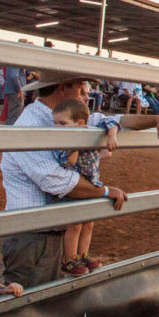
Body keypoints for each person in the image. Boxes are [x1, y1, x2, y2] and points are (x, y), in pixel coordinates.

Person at [0, 69, 159, 288]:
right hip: (31, 234)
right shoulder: (31, 124)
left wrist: (156, 119)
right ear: (64, 87)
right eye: (80, 85)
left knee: (43, 299)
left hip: (44, 232)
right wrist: (103, 191)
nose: (84, 91)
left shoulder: (65, 116)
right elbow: (56, 181)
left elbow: (116, 120)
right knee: (31, 304)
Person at [52, 98, 121, 276]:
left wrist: (112, 135)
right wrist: (75, 145)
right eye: (55, 123)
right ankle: (69, 259)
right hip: (77, 187)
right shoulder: (63, 143)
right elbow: (68, 163)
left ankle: (83, 255)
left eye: (62, 123)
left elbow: (112, 121)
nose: (56, 128)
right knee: (74, 224)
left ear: (80, 123)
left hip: (93, 184)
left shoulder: (92, 127)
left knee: (88, 223)